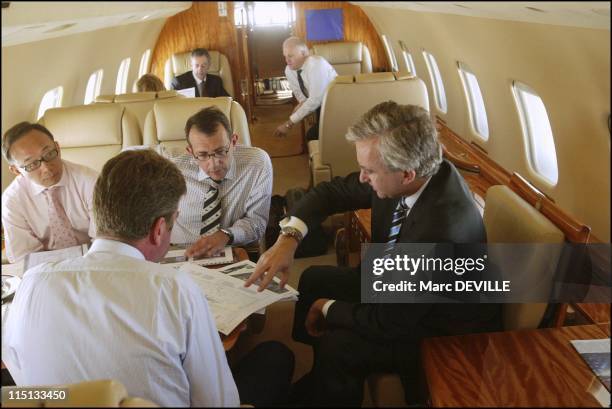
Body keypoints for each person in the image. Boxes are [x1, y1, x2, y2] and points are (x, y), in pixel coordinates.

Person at [247, 102, 501, 405]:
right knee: (314, 277)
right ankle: (321, 377)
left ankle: (331, 387)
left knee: (339, 345)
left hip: (439, 328)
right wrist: (287, 240)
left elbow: (390, 321)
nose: (363, 178)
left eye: (369, 171)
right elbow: (330, 193)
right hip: (399, 286)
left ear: (406, 174)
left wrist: (327, 308)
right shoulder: (413, 173)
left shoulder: (441, 230)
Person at [2, 149, 294, 407]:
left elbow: (23, 379)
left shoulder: (32, 282)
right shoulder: (176, 289)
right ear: (158, 230)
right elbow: (216, 401)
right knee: (276, 356)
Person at [165, 106, 272, 259]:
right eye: (202, 154)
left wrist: (225, 235)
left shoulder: (257, 162)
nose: (214, 164)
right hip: (180, 252)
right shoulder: (173, 170)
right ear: (190, 152)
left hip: (230, 250)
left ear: (233, 141)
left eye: (221, 151)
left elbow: (257, 221)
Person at [1, 122, 98, 263]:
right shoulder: (12, 201)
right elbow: (23, 257)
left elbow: (105, 242)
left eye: (49, 154)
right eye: (32, 164)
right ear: (16, 171)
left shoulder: (91, 181)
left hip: (92, 260)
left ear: (57, 147)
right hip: (43, 269)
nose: (46, 168)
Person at [273, 36, 337, 141]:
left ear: (303, 53)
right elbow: (301, 95)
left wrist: (289, 123)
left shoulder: (316, 64)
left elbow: (315, 100)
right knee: (313, 136)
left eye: (290, 56)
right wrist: (300, 106)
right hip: (321, 106)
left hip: (335, 105)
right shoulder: (289, 70)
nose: (287, 60)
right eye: (285, 56)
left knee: (312, 136)